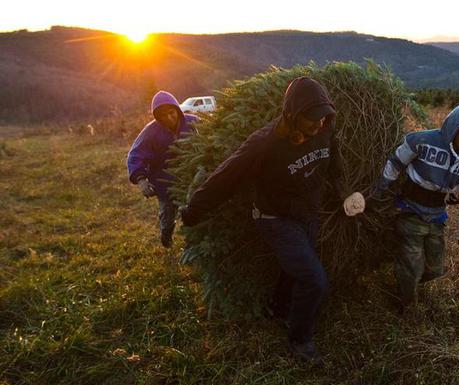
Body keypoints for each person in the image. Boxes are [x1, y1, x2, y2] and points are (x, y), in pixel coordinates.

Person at [180, 77, 343, 366]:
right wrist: (193, 212)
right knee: (314, 279)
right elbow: (225, 178)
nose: (319, 125)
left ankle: (277, 308)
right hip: (275, 218)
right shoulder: (265, 144)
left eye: (324, 117)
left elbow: (335, 164)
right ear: (293, 116)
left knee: (296, 268)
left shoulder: (325, 130)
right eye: (312, 119)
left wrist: (342, 195)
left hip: (307, 213)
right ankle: (300, 340)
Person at [369, 103, 459, 312]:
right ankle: (407, 306)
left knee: (435, 269)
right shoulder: (421, 141)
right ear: (456, 126)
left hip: (436, 216)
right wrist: (378, 191)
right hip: (410, 210)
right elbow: (395, 162)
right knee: (413, 265)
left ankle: (404, 277)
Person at [127, 91, 198, 248]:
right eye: (163, 116)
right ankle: (166, 235)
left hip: (190, 180)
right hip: (164, 184)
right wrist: (141, 179)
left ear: (178, 110)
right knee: (167, 215)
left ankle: (192, 243)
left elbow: (209, 140)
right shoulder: (151, 132)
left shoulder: (193, 123)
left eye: (172, 113)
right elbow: (135, 154)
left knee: (192, 210)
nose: (169, 118)